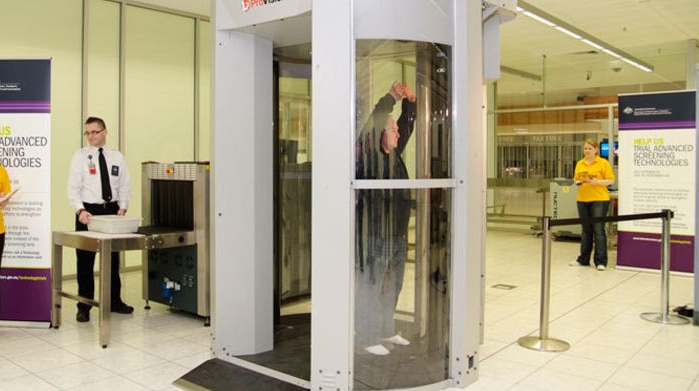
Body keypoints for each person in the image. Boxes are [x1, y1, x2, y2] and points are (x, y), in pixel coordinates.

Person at [355, 82, 417, 356]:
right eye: (392, 129)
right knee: (372, 286)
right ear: (379, 133)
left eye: (396, 129)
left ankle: (385, 330)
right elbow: (377, 118)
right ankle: (367, 336)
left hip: (397, 235)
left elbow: (408, 124)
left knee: (392, 287)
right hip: (376, 234)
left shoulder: (395, 156)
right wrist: (392, 96)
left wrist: (411, 103)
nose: (397, 132)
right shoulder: (372, 156)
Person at [67, 116, 133, 322]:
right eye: (87, 132)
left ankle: (114, 301)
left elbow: (124, 185)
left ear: (105, 131)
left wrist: (123, 207)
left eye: (94, 132)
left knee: (112, 259)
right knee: (85, 261)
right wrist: (80, 210)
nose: (91, 136)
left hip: (111, 211)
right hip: (88, 213)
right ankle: (84, 306)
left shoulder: (116, 156)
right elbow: (73, 187)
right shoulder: (80, 156)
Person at [569, 138, 615, 271]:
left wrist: (597, 182)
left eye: (590, 148)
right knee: (586, 230)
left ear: (596, 150)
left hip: (599, 199)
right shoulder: (580, 163)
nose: (587, 151)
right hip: (583, 199)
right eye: (585, 148)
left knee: (598, 230)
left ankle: (601, 261)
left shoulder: (603, 163)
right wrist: (577, 181)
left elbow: (611, 180)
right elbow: (576, 178)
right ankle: (583, 259)